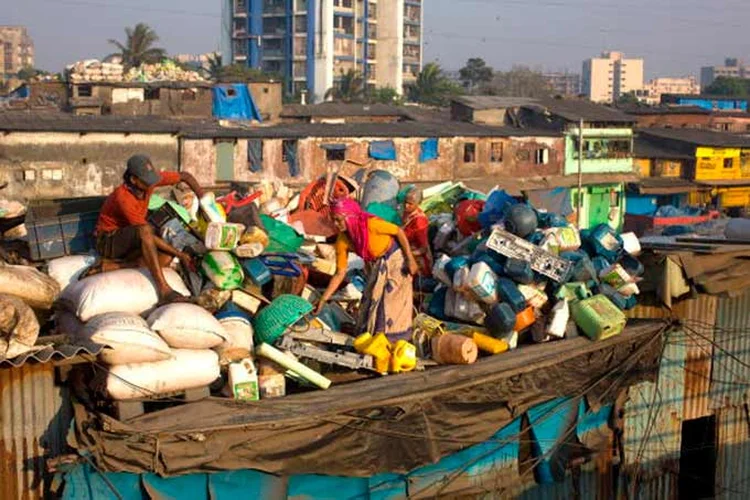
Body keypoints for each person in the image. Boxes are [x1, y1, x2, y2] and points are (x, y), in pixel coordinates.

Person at [91, 154, 205, 304]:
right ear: (134, 180)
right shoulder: (123, 198)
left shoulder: (148, 182)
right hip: (108, 240)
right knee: (147, 230)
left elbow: (185, 176)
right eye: (147, 181)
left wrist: (205, 202)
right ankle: (164, 289)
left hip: (131, 238)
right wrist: (180, 254)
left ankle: (114, 266)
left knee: (166, 256)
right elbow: (145, 234)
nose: (152, 184)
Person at [316, 198, 419, 341]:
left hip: (396, 259)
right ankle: (373, 339)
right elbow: (340, 272)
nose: (336, 224)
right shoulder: (342, 240)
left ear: (350, 216)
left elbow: (398, 232)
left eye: (339, 220)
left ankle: (394, 341)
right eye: (333, 220)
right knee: (371, 300)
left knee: (391, 303)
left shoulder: (370, 225)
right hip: (376, 264)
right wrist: (323, 299)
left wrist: (410, 259)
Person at [401, 186, 432, 277]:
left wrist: (407, 255)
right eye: (405, 202)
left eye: (410, 204)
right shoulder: (407, 213)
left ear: (418, 203)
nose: (406, 206)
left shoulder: (419, 221)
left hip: (418, 259)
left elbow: (423, 248)